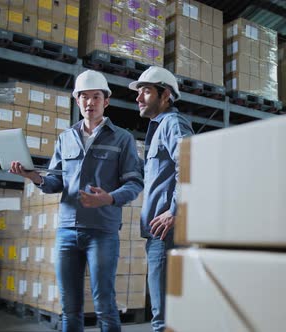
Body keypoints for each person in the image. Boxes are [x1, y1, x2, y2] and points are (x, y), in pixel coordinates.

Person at [10, 69, 143, 332]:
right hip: (67, 232)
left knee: (104, 303)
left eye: (96, 97)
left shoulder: (122, 139)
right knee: (69, 307)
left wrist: (109, 198)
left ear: (106, 101)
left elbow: (134, 183)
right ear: (77, 101)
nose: (89, 102)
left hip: (102, 232)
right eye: (84, 97)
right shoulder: (65, 138)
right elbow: (55, 184)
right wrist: (34, 177)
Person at [128, 66, 194, 332]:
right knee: (163, 313)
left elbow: (191, 166)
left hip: (166, 231)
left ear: (165, 94)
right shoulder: (158, 128)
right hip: (157, 232)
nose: (138, 98)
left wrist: (174, 210)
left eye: (145, 91)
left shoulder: (173, 124)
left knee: (163, 317)